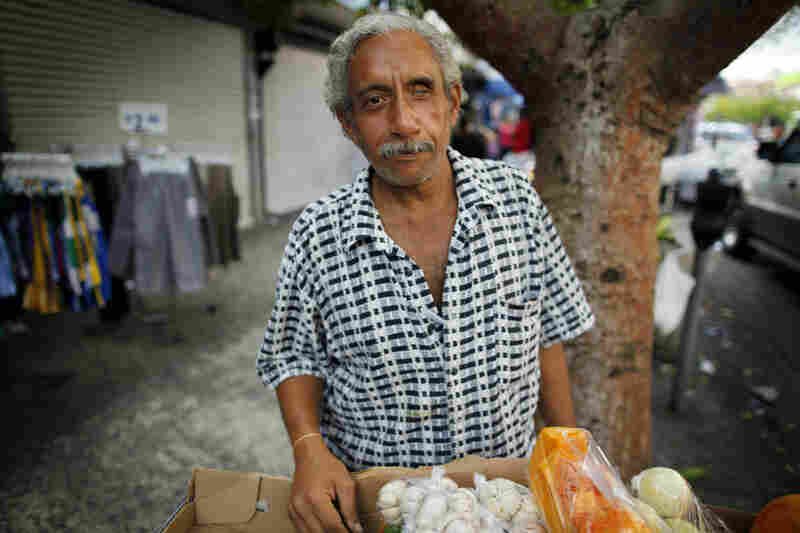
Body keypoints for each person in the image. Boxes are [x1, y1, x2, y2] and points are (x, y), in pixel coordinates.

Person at [256, 12, 595, 533]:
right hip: (379, 507)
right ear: (348, 123)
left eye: (420, 91)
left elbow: (546, 330)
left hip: (507, 504)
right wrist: (308, 451)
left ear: (451, 103)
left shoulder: (516, 202)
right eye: (374, 101)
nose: (404, 123)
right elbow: (292, 355)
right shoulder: (318, 234)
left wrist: (568, 445)